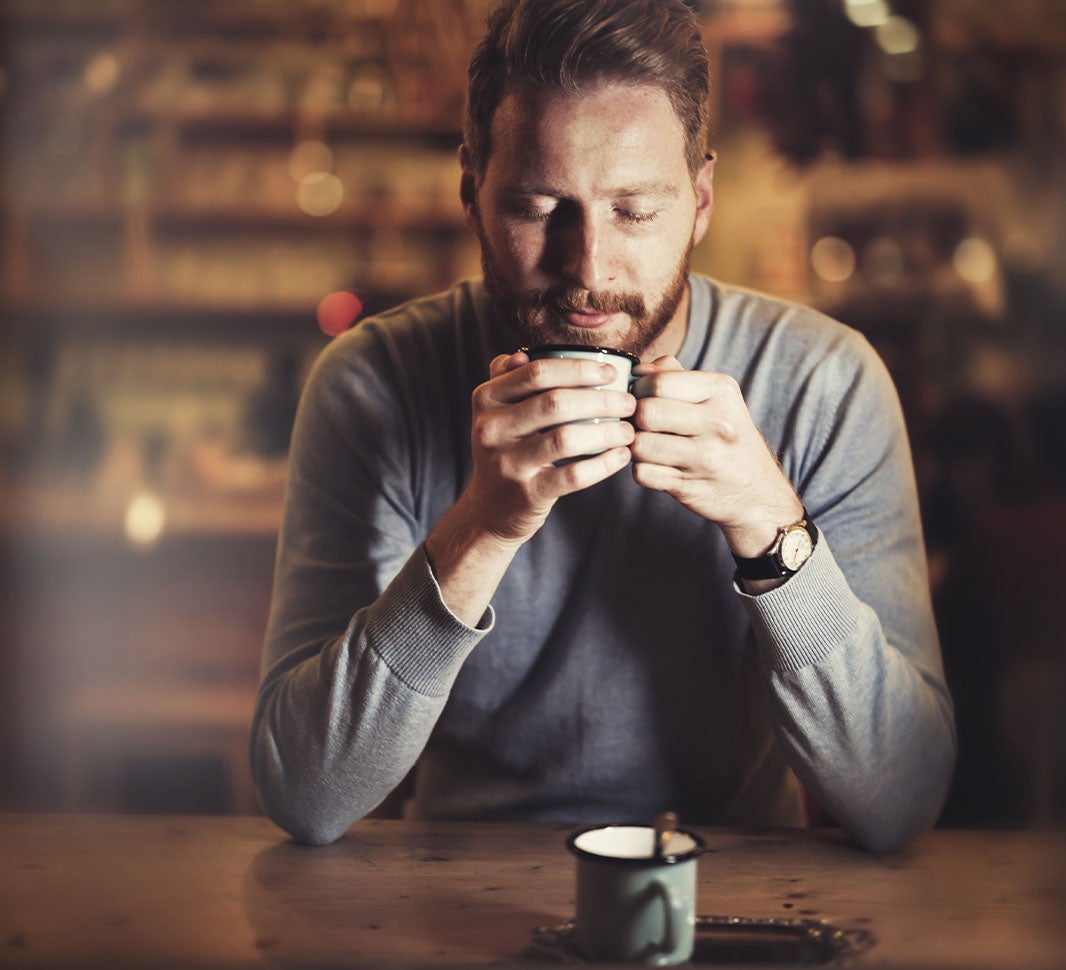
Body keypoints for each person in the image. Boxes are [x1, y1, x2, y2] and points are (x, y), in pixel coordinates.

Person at [251, 0, 955, 852]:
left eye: (635, 210)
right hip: (453, 885)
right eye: (539, 207)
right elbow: (305, 792)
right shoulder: (372, 384)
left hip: (733, 887)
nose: (586, 270)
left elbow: (902, 797)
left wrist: (772, 530)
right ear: (471, 190)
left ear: (699, 201)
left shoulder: (824, 382)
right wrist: (480, 529)